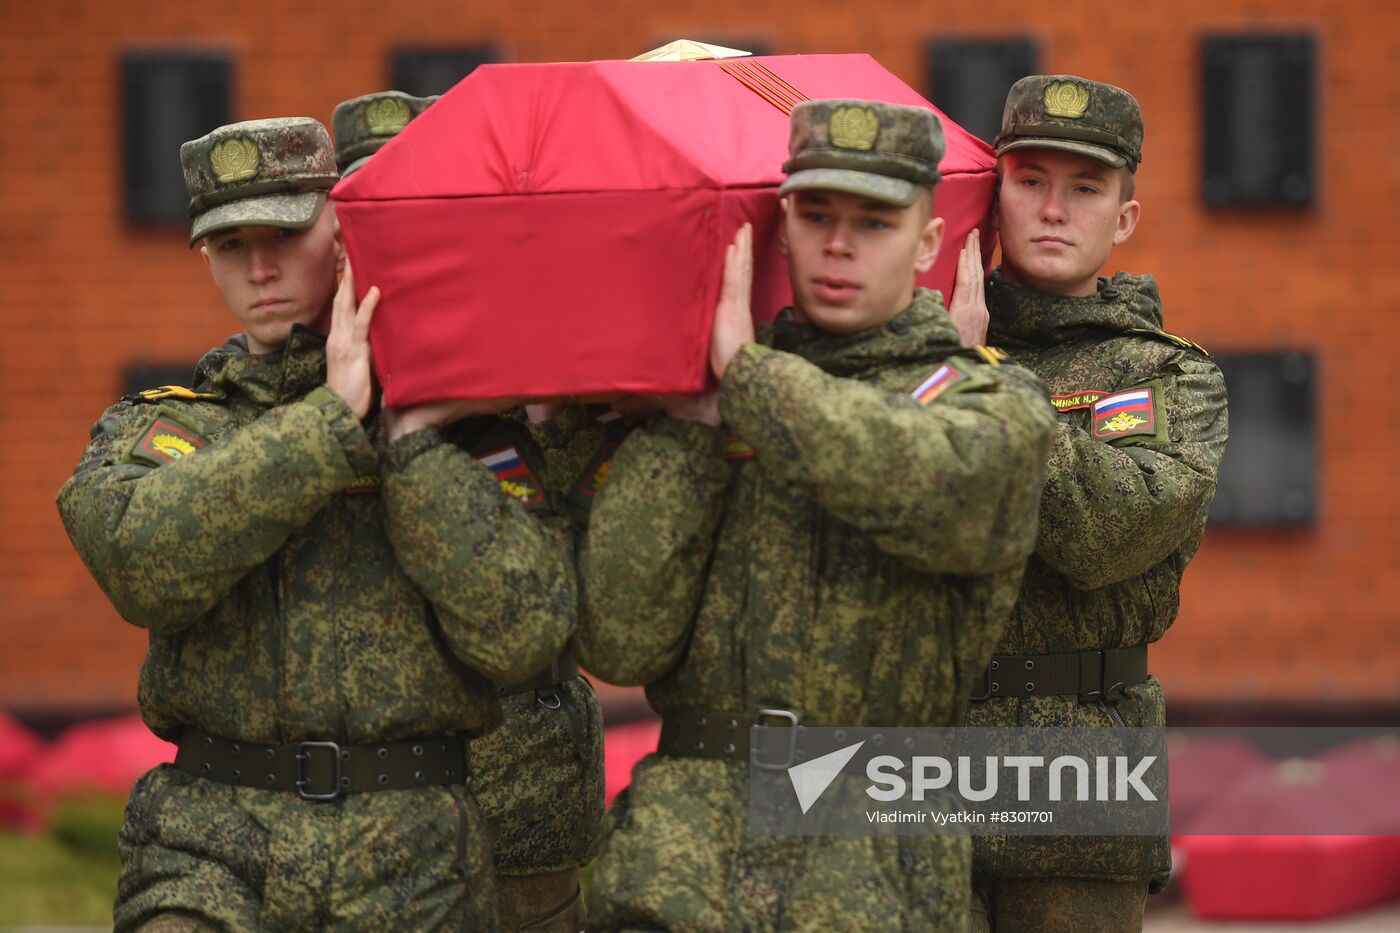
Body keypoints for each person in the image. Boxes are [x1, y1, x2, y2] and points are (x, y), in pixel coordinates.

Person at [57, 116, 575, 931]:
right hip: (207, 850)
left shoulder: (465, 429)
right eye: (230, 246)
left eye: (285, 235)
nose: (259, 268)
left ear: (344, 233)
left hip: (410, 860)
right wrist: (329, 421)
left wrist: (408, 440)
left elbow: (524, 633)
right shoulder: (170, 429)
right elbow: (138, 560)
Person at [575, 98, 1057, 930]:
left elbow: (939, 485)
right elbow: (619, 642)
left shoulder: (988, 402)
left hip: (868, 872)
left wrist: (749, 382)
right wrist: (687, 429)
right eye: (816, 214)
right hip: (683, 868)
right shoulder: (703, 405)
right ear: (779, 225)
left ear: (930, 243)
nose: (838, 244)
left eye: (874, 222)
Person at [953, 75, 1229, 932]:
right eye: (1030, 180)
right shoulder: (922, 350)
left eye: (1085, 188)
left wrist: (976, 383)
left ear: (1124, 217)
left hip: (1081, 772)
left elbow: (1107, 533)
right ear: (990, 196)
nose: (1053, 209)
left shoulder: (1172, 374)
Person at [329, 90, 606, 933]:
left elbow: (587, 613)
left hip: (527, 813)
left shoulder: (545, 392)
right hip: (360, 825)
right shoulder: (309, 395)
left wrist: (555, 406)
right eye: (375, 216)